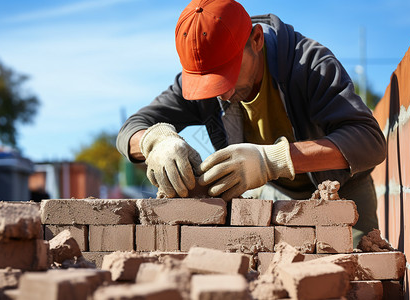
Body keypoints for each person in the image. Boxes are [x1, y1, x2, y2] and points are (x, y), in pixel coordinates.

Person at [116, 0, 386, 244]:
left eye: (226, 75)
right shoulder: (204, 80)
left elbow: (369, 141)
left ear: (256, 39)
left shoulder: (308, 65)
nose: (222, 92)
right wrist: (156, 141)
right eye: (209, 83)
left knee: (355, 274)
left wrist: (272, 160)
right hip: (274, 195)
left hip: (339, 191)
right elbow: (132, 129)